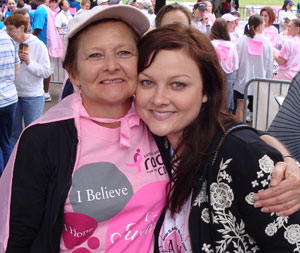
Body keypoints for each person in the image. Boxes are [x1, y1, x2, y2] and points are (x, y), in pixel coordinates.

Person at [0, 5, 169, 252]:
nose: (111, 65)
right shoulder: (43, 139)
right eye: (95, 55)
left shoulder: (159, 123)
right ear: (73, 73)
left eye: (124, 52)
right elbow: (18, 235)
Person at [135, 23, 300, 252]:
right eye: (147, 82)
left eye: (178, 84)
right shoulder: (147, 141)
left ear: (205, 91)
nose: (159, 98)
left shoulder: (240, 156)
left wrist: (286, 160)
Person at [4, 14, 51, 147]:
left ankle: (34, 162)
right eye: (7, 29)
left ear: (22, 28)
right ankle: (15, 162)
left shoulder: (38, 45)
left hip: (33, 96)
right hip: (14, 95)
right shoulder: (10, 43)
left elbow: (46, 71)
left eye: (11, 29)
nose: (9, 33)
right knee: (13, 133)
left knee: (33, 132)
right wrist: (15, 61)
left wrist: (30, 63)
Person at [233, 14, 273, 122]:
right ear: (260, 26)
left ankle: (239, 130)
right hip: (259, 81)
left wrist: (234, 78)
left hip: (242, 80)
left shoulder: (242, 40)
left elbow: (236, 62)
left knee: (240, 107)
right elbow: (270, 64)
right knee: (257, 110)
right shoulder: (266, 42)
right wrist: (269, 79)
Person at [0, 29, 20, 176]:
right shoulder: (7, 38)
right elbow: (16, 69)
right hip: (10, 98)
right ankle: (8, 177)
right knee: (5, 141)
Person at [210, 18, 238, 113]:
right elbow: (235, 65)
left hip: (213, 76)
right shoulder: (231, 45)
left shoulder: (211, 44)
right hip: (228, 77)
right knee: (226, 106)